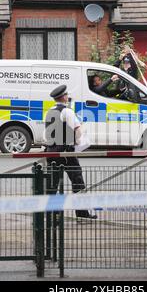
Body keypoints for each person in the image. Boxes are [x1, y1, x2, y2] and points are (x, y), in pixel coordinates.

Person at [44, 85, 97, 219]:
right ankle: (82, 213)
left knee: (52, 184)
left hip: (51, 152)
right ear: (64, 97)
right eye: (66, 95)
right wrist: (79, 143)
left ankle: (51, 212)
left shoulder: (49, 111)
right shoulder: (67, 111)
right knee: (78, 181)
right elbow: (78, 130)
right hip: (66, 153)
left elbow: (46, 134)